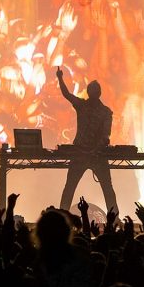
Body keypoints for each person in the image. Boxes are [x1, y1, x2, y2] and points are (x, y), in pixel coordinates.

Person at [55, 66, 118, 216]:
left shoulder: (85, 106)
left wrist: (60, 78)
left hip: (85, 154)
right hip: (93, 155)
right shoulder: (102, 111)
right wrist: (60, 78)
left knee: (70, 188)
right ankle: (115, 218)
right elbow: (106, 136)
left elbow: (66, 94)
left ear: (90, 93)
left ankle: (61, 217)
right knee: (107, 189)